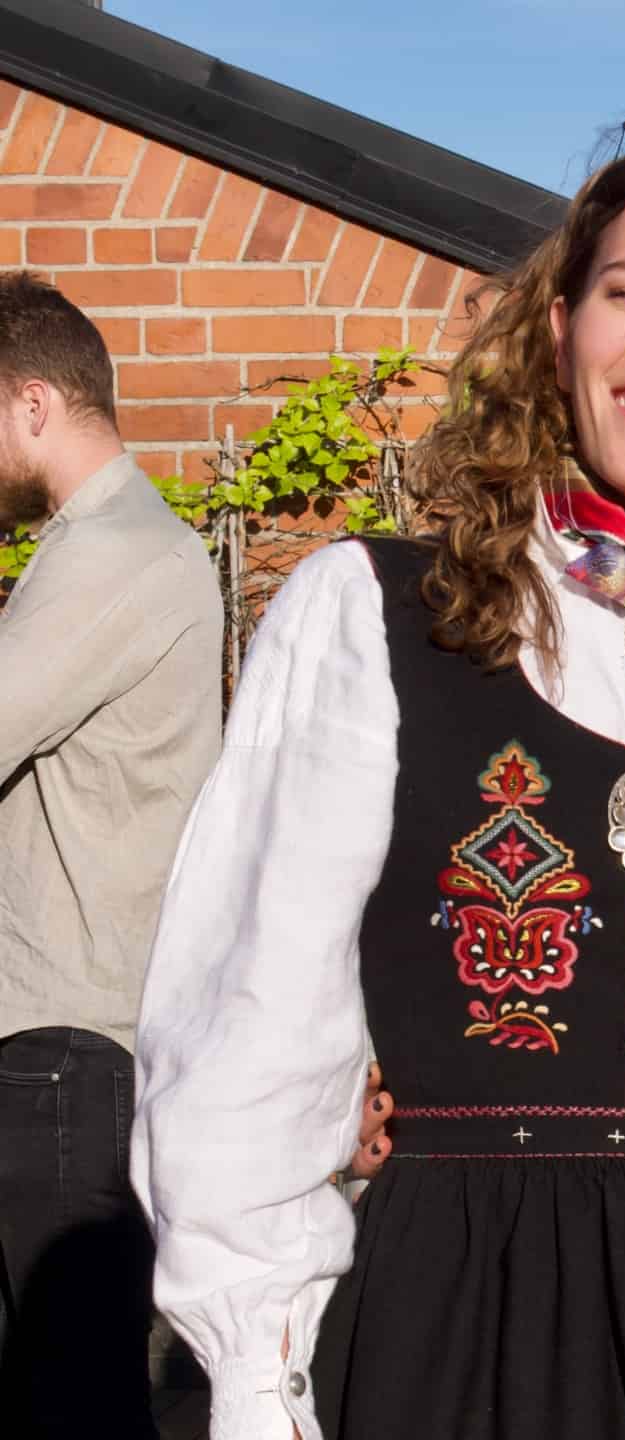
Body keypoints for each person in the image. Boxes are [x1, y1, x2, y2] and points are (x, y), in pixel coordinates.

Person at [132, 117, 625, 1440]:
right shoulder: (377, 617)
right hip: (473, 1299)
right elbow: (251, 1024)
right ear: (561, 333)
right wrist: (262, 1379)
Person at [0, 270, 221, 1434]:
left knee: (70, 1399)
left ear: (32, 402)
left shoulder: (115, 554)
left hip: (64, 1050)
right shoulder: (107, 549)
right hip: (65, 1047)